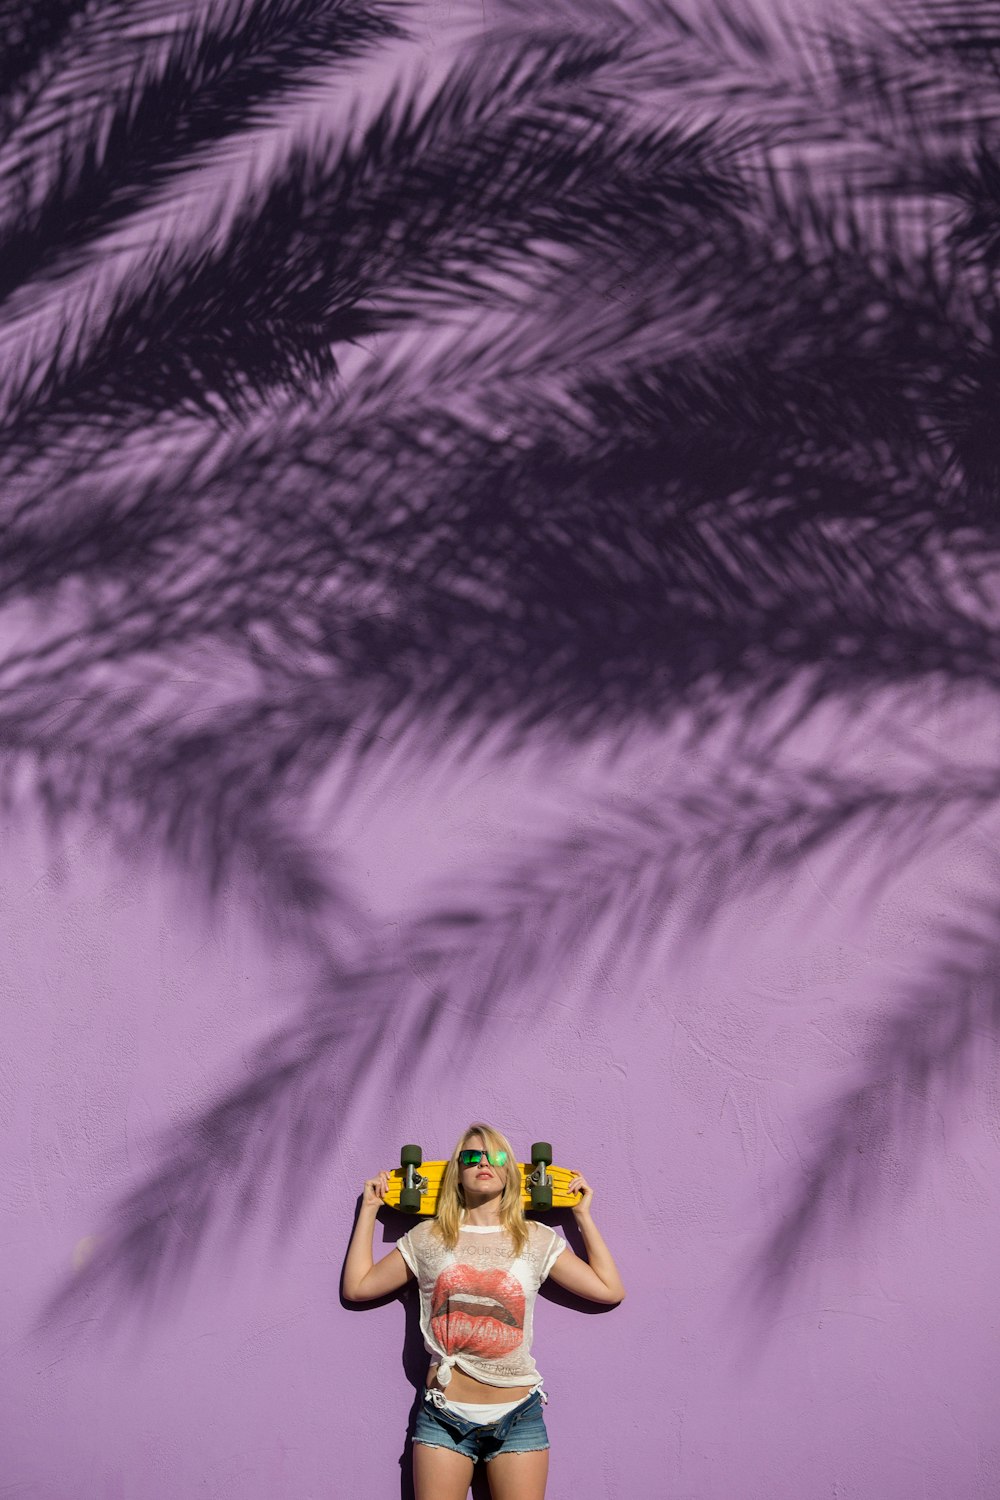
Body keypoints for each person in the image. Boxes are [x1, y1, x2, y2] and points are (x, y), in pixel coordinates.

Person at [343, 1121, 626, 1500]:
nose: (484, 1163)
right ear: (457, 1173)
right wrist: (370, 1209)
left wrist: (582, 1216)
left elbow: (608, 1290)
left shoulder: (535, 1238)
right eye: (472, 1156)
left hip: (518, 1415)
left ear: (510, 1171)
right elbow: (358, 1287)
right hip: (444, 1416)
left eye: (495, 1156)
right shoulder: (429, 1236)